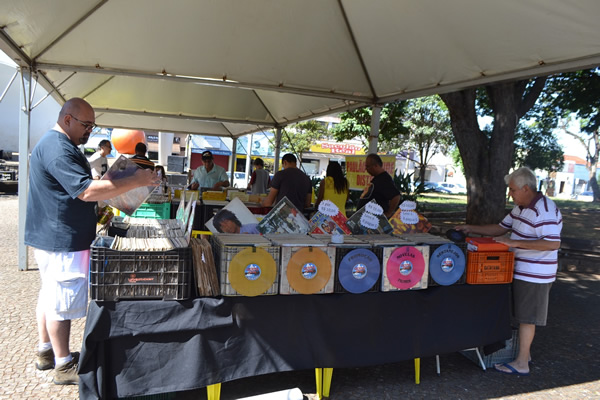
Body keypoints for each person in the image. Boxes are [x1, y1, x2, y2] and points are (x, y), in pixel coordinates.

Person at [24, 98, 160, 385]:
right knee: (60, 301)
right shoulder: (58, 148)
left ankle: (46, 351)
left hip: (55, 234)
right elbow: (85, 191)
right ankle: (63, 364)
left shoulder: (59, 145)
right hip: (62, 238)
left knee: (49, 295)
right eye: (86, 125)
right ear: (68, 119)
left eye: (92, 126)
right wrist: (136, 181)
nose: (89, 131)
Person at [455, 166, 562, 376]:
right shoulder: (521, 207)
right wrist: (471, 229)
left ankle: (522, 363)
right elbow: (501, 228)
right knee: (521, 315)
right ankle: (525, 355)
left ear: (525, 188)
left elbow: (552, 244)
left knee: (527, 318)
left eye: (512, 190)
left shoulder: (545, 210)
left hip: (536, 273)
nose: (510, 194)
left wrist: (514, 242)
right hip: (520, 269)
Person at [357, 153, 401, 218]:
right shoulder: (377, 178)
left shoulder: (384, 179)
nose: (366, 169)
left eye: (368, 166)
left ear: (376, 166)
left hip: (374, 219)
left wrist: (389, 213)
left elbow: (396, 196)